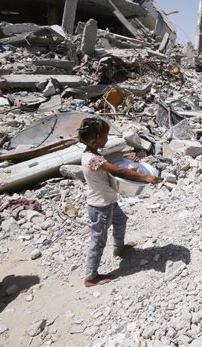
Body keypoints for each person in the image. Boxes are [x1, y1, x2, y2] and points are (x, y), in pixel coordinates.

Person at [78, 117, 160, 287]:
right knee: (98, 240)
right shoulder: (93, 160)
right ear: (95, 138)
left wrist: (132, 159)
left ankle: (119, 248)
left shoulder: (92, 153)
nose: (107, 139)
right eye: (105, 136)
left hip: (108, 200)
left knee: (121, 220)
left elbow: (114, 164)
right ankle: (91, 276)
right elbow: (120, 171)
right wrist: (145, 176)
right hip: (100, 206)